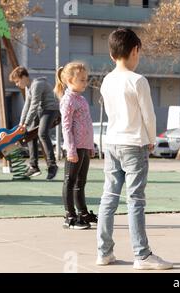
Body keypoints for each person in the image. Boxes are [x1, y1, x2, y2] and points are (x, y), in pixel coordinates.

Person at [96, 28, 173, 270]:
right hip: (134, 144)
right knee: (135, 200)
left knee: (109, 197)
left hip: (112, 143)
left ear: (111, 54)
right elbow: (148, 116)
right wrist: (151, 139)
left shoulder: (107, 80)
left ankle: (103, 252)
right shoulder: (138, 80)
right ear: (135, 50)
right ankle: (142, 255)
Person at [55, 62, 98, 230]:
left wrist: (90, 146)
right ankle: (70, 216)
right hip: (75, 148)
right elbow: (66, 127)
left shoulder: (81, 99)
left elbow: (87, 124)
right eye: (81, 80)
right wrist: (71, 149)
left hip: (84, 147)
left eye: (86, 79)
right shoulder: (67, 100)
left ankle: (83, 213)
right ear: (69, 80)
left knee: (81, 181)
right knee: (70, 181)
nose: (85, 83)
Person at [9, 66, 60, 180]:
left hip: (51, 110)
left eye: (17, 81)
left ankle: (52, 166)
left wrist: (26, 123)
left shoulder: (36, 85)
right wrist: (22, 125)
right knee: (29, 134)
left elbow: (34, 105)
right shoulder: (28, 88)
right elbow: (26, 106)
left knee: (42, 133)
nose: (17, 84)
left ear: (24, 77)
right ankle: (34, 166)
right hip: (41, 111)